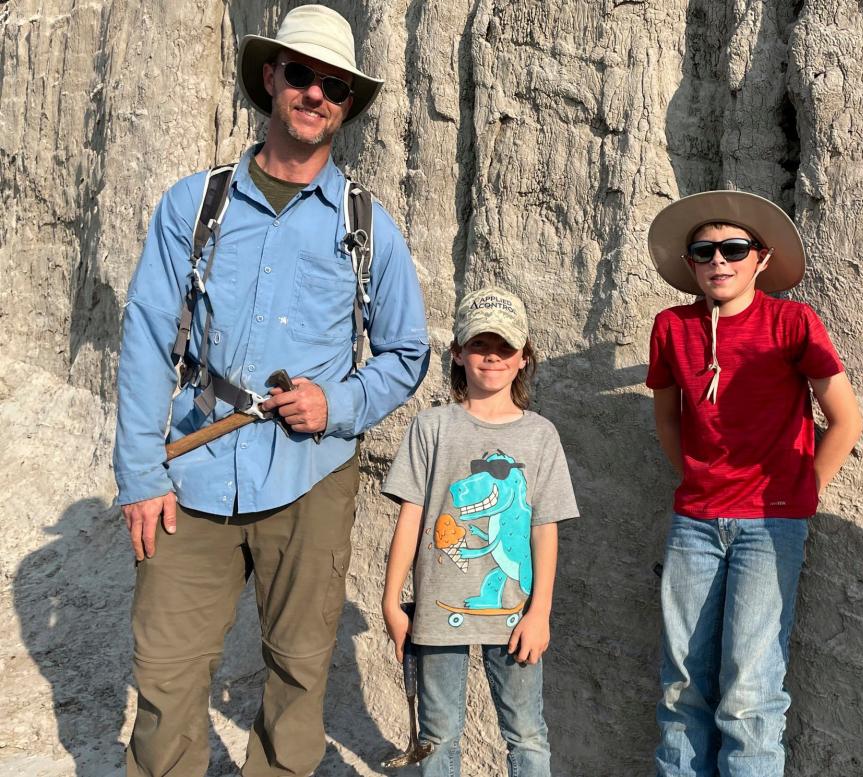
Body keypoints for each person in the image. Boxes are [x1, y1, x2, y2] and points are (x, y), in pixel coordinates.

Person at [112, 6, 430, 775]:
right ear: (269, 78)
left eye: (335, 85)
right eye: (301, 75)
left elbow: (407, 351)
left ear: (347, 104)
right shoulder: (194, 205)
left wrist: (339, 404)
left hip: (309, 479)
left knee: (297, 677)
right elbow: (149, 340)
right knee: (166, 678)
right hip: (191, 475)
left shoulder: (367, 225)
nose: (316, 93)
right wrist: (141, 474)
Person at [644, 191, 863, 775]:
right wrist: (694, 476)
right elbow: (668, 417)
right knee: (681, 687)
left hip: (770, 527)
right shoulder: (671, 328)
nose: (720, 261)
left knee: (749, 693)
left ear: (761, 258)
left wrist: (799, 494)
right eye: (704, 250)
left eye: (734, 248)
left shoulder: (793, 323)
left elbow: (845, 420)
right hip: (694, 523)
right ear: (690, 262)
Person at [380, 287, 578, 777]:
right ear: (458, 353)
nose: (492, 357)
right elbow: (411, 516)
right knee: (438, 735)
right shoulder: (431, 427)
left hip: (515, 612)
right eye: (479, 345)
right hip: (436, 608)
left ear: (524, 357)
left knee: (527, 735)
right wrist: (390, 600)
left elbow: (544, 530)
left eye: (505, 347)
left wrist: (541, 613)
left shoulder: (540, 435)